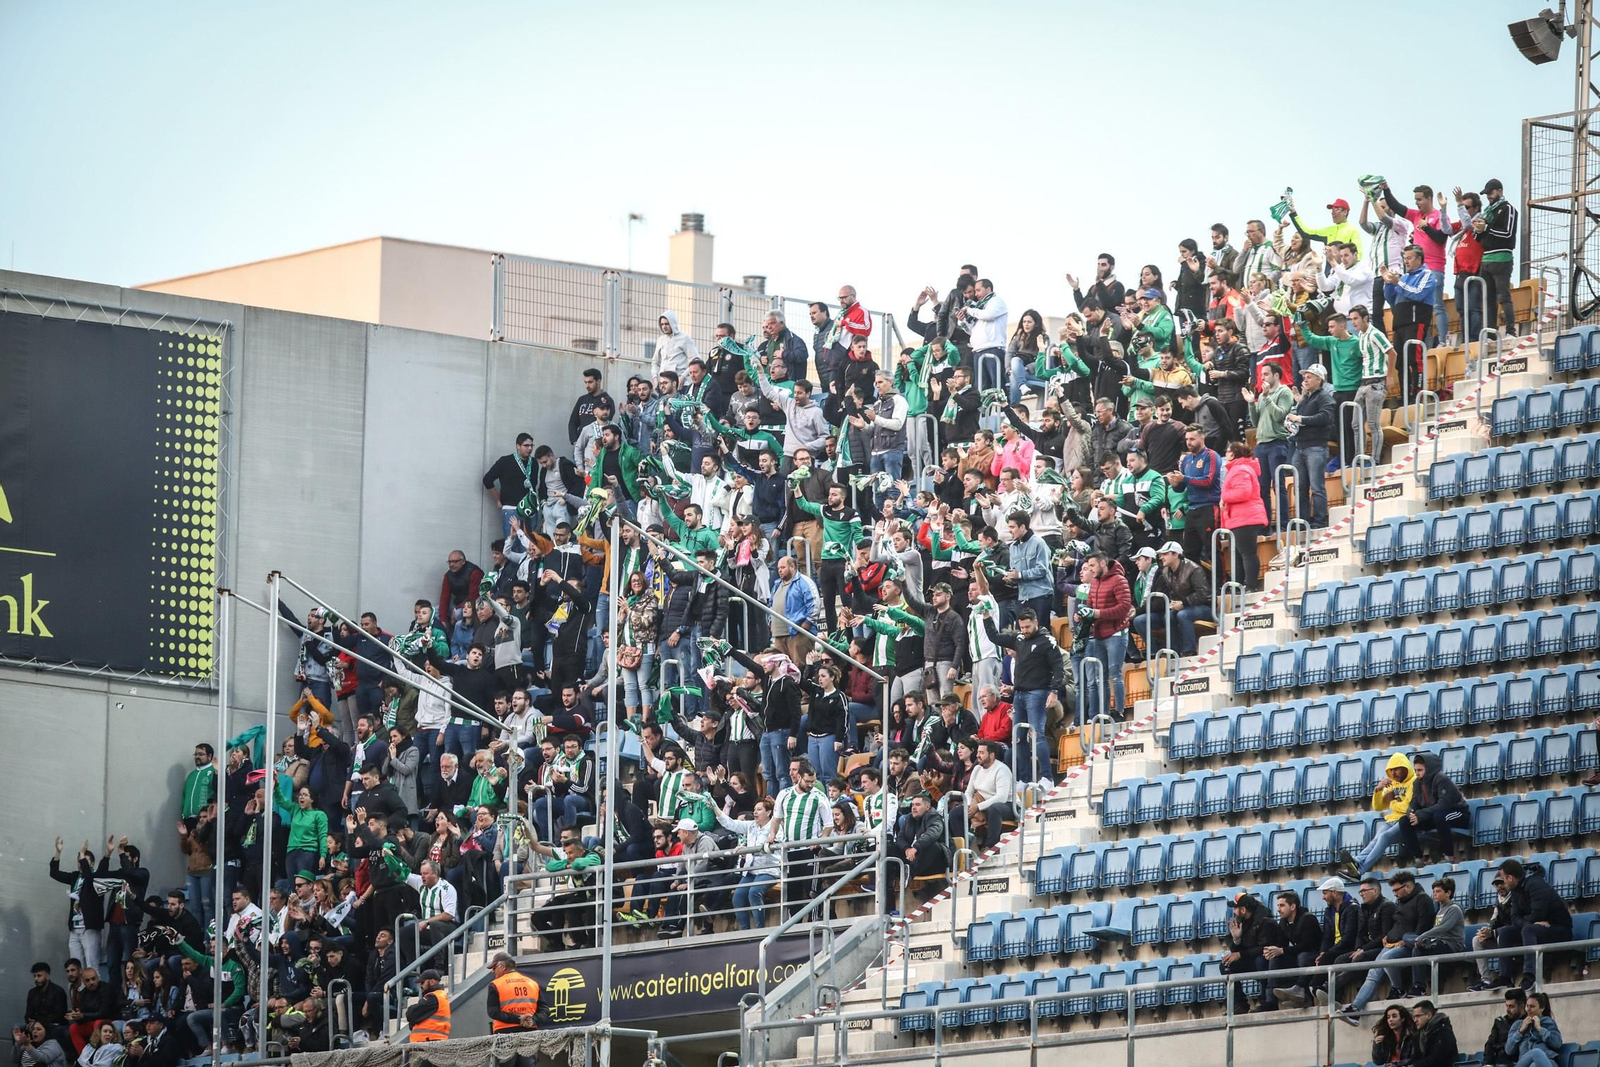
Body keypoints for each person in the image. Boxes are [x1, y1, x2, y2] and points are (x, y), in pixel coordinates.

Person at [1338, 869, 1434, 1021]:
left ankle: (1398, 989)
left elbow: (1424, 927)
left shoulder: (1423, 900)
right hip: (1392, 944)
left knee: (1386, 959)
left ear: (1408, 887)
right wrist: (1387, 936)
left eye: (1396, 890)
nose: (1394, 894)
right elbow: (1398, 924)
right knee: (1373, 973)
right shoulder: (1402, 901)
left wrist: (1407, 941)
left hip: (1409, 946)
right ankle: (1355, 1010)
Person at [982, 606, 1064, 784]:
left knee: (1037, 735)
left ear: (1036, 622)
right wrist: (986, 616)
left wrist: (1054, 691)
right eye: (1022, 627)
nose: (1025, 631)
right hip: (1019, 694)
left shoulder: (1047, 641)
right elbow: (994, 637)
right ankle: (1025, 780)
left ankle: (1047, 778)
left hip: (1038, 693)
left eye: (1028, 627)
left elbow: (1059, 668)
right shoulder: (1019, 638)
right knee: (1018, 737)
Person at [1491, 859, 1573, 990]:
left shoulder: (1536, 884)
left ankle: (1530, 975)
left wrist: (1527, 922)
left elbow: (1538, 913)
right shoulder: (1516, 890)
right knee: (1506, 932)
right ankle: (1504, 977)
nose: (1504, 882)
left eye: (1504, 879)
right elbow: (1514, 917)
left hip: (1558, 929)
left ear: (1510, 878)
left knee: (1528, 930)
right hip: (1535, 927)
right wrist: (1528, 922)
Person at [1337, 752, 1417, 880]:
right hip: (1392, 820)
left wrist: (1392, 802)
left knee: (1384, 837)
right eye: (1391, 770)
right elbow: (1378, 807)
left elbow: (1408, 807)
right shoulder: (1393, 783)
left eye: (1396, 769)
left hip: (1406, 821)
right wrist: (1378, 791)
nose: (1393, 773)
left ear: (1405, 768)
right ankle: (1357, 861)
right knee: (1375, 840)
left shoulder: (1414, 782)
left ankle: (1360, 871)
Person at [715, 797, 782, 930]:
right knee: (737, 897)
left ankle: (760, 930)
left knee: (754, 892)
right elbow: (730, 824)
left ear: (768, 812)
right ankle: (745, 931)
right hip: (751, 870)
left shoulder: (776, 827)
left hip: (769, 869)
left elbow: (772, 846)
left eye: (759, 809)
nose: (755, 812)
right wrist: (714, 807)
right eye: (754, 809)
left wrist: (748, 850)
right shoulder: (751, 825)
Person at [1286, 364, 1335, 528]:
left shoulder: (1324, 397)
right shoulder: (1306, 399)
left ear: (1319, 380)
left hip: (1316, 447)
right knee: (1300, 488)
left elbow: (1325, 417)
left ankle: (1320, 521)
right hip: (1300, 447)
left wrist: (1301, 419)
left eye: (1309, 377)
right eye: (1304, 377)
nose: (1305, 380)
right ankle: (1303, 522)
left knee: (1316, 487)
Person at [1220, 892, 1281, 1013]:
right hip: (1249, 960)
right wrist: (1236, 940)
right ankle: (1239, 1004)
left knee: (1262, 961)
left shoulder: (1266, 921)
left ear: (1243, 910)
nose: (1234, 912)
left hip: (1267, 960)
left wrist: (1240, 955)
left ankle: (1267, 1001)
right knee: (1226, 964)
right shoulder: (1239, 922)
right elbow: (1235, 952)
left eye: (1235, 908)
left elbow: (1265, 947)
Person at [1219, 440, 1269, 591]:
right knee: (1239, 554)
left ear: (1233, 454)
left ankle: (1250, 586)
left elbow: (1243, 492)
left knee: (1246, 553)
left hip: (1245, 518)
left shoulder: (1240, 469)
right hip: (1240, 518)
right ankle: (1239, 586)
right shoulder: (1239, 468)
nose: (1225, 454)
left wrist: (1224, 497)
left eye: (1228, 451)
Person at [1261, 889, 1320, 1011]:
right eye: (1278, 906)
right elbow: (1281, 944)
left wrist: (1282, 950)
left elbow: (1307, 945)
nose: (1278, 909)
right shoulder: (1284, 922)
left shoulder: (1308, 919)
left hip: (1315, 955)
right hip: (1298, 954)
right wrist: (1272, 951)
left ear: (1293, 906)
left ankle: (1305, 996)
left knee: (1303, 956)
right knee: (1275, 959)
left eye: (1282, 905)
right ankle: (1271, 1001)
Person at [1476, 178, 1519, 339]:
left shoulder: (1508, 209)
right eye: (1487, 194)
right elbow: (1478, 238)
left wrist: (1487, 228)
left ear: (1500, 191)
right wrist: (1478, 230)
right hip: (1486, 259)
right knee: (1488, 299)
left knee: (1504, 297)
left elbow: (1507, 233)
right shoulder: (1487, 212)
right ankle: (1490, 333)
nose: (1489, 196)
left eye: (1491, 193)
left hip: (1502, 258)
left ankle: (1510, 331)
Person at [1409, 876, 1465, 995]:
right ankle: (1418, 986)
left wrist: (1422, 937)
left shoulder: (1454, 909)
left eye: (1438, 891)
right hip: (1438, 943)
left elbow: (1442, 928)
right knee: (1415, 946)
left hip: (1451, 946)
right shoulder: (1440, 910)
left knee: (1420, 944)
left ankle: (1420, 987)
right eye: (1434, 891)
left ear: (1448, 893)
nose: (1435, 894)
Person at [958, 278, 1009, 393]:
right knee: (981, 388)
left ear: (988, 289)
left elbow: (989, 315)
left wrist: (969, 310)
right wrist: (962, 321)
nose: (976, 294)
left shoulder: (996, 301)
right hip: (978, 351)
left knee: (997, 385)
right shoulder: (979, 307)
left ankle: (1002, 404)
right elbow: (972, 331)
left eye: (978, 290)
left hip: (993, 349)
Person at [964, 740, 1015, 850]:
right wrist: (969, 806)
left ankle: (990, 847)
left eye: (982, 753)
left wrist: (978, 807)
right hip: (981, 804)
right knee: (956, 812)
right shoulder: (977, 769)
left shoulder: (1002, 769)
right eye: (978, 752)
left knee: (994, 809)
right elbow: (968, 792)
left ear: (992, 755)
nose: (977, 755)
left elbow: (1001, 798)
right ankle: (963, 848)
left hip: (1008, 805)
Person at [486, 952, 540, 1032]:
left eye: (494, 968)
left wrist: (519, 1019)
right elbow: (544, 1010)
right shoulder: (533, 983)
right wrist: (532, 1019)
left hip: (504, 1031)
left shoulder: (495, 984)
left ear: (502, 967)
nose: (493, 971)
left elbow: (493, 1012)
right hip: (530, 1029)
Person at [1504, 993, 1559, 1067]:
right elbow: (1508, 1050)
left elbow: (1557, 1043)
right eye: (1527, 1006)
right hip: (1524, 1063)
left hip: (1547, 1060)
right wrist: (1520, 1031)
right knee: (1536, 1052)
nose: (1528, 1009)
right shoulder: (1518, 1024)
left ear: (1542, 1008)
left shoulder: (1548, 1022)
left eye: (1532, 1006)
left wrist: (1540, 1029)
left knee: (1534, 1064)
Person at [1484, 988, 1528, 1067]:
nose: (1507, 1010)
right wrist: (1487, 1064)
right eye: (1507, 1006)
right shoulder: (1500, 1022)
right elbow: (1490, 1045)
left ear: (1521, 1007)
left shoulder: (1528, 1023)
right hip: (1499, 1062)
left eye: (1511, 1006)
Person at [404, 969, 450, 1043]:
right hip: (432, 1040)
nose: (421, 985)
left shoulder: (432, 997)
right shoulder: (440, 995)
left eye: (422, 982)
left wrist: (410, 1012)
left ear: (431, 982)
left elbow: (412, 1014)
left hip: (428, 1040)